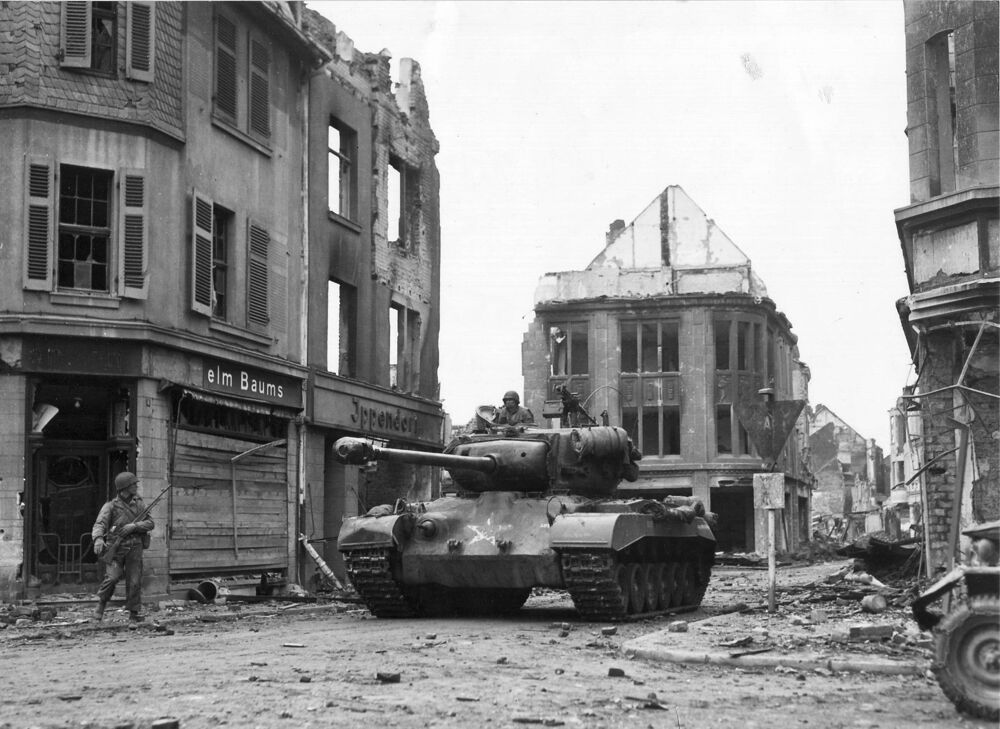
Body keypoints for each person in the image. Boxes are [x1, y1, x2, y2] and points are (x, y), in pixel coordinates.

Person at [91, 472, 154, 622]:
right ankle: (101, 604)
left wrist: (134, 526)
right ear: (125, 487)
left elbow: (151, 523)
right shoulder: (111, 506)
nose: (136, 486)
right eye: (133, 484)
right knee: (112, 578)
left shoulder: (139, 503)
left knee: (134, 580)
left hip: (135, 547)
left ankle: (133, 613)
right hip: (116, 547)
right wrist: (98, 539)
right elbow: (100, 524)